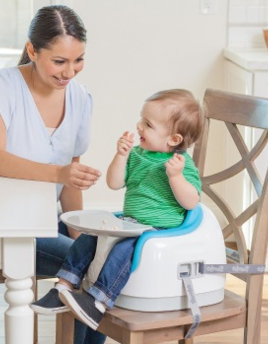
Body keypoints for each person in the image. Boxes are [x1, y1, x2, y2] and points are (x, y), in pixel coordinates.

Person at [0, 5, 107, 344]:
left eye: (79, 60)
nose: (70, 72)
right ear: (32, 50)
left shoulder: (80, 98)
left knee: (103, 260)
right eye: (59, 61)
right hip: (0, 224)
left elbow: (70, 186)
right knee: (90, 268)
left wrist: (82, 238)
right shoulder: (0, 86)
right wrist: (59, 172)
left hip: (45, 221)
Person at [31, 89, 203, 331]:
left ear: (173, 139)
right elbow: (114, 183)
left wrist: (175, 177)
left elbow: (191, 202)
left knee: (122, 250)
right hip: (132, 221)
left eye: (148, 124)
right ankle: (63, 285)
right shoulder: (138, 155)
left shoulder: (181, 166)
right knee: (91, 236)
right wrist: (121, 156)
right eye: (141, 119)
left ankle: (98, 301)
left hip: (157, 230)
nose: (139, 126)